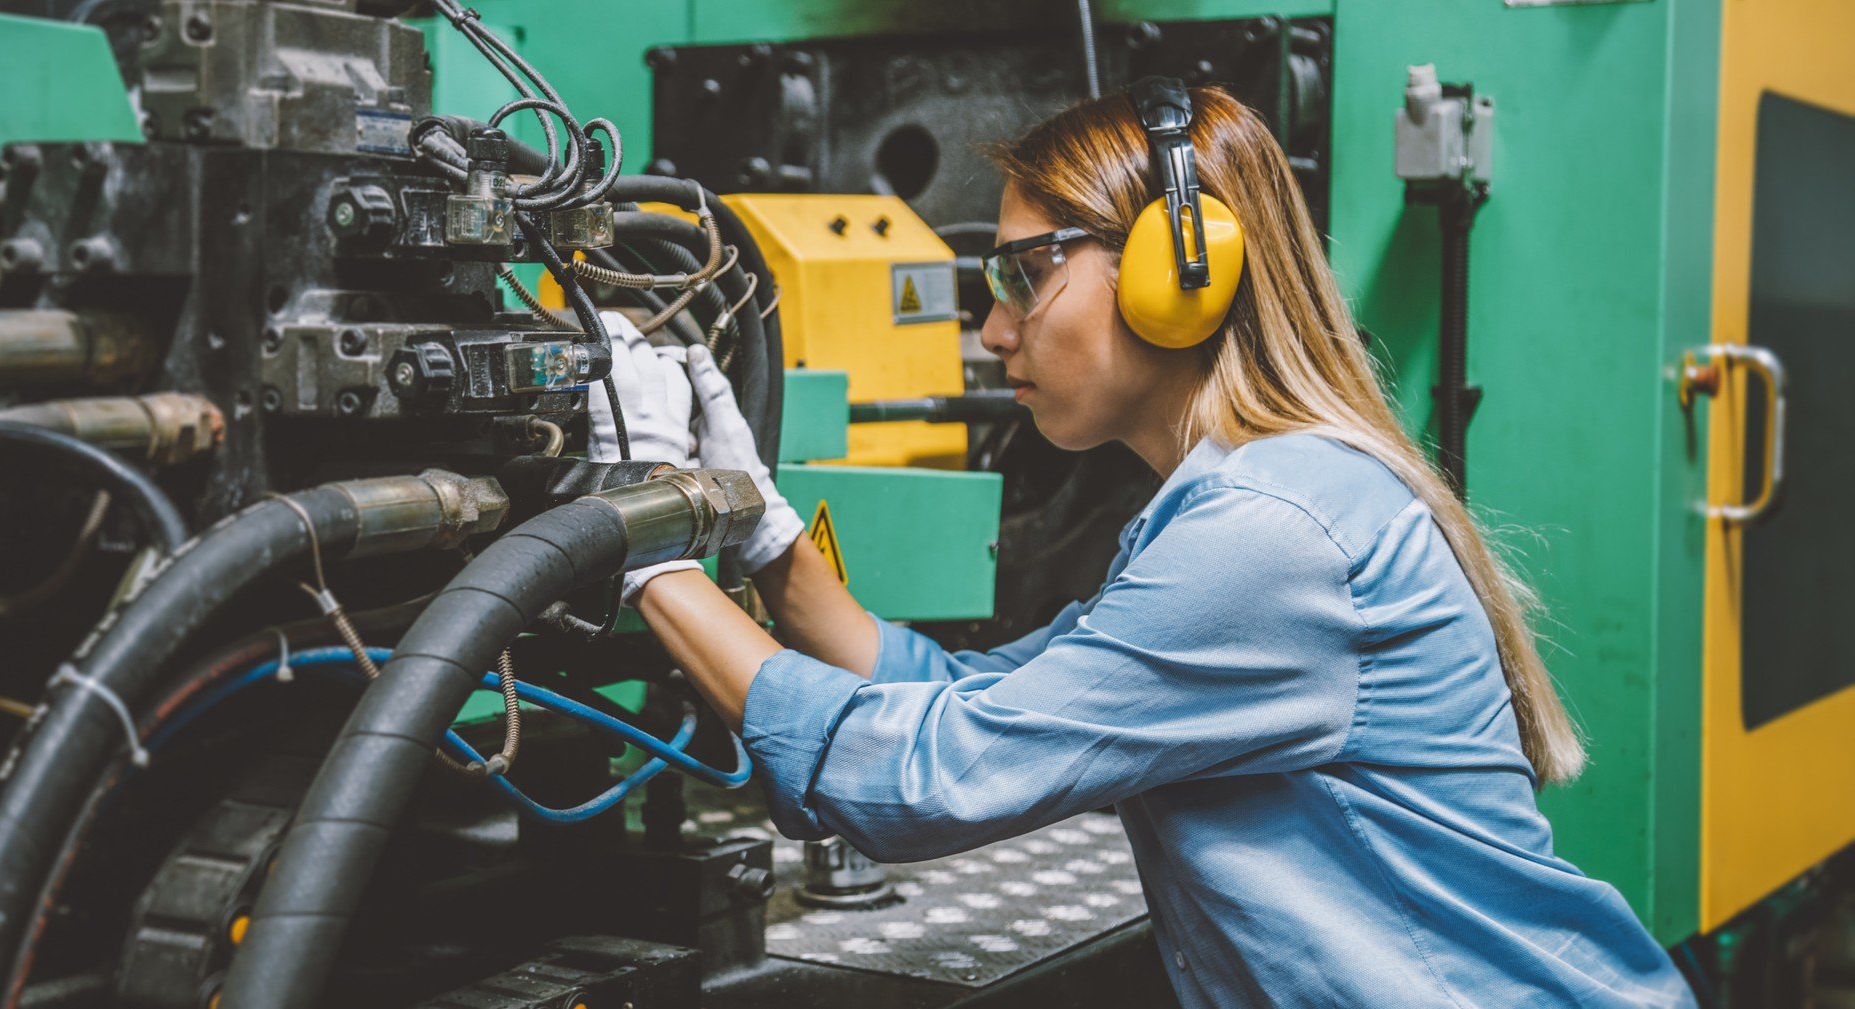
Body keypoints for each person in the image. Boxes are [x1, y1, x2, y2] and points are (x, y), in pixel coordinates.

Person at [586, 81, 1696, 1008]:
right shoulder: (1248, 502)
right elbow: (961, 696)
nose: (994, 329)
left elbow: (920, 778)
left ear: (1179, 272)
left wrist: (646, 534)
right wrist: (761, 526)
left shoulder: (1268, 537)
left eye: (1026, 273)